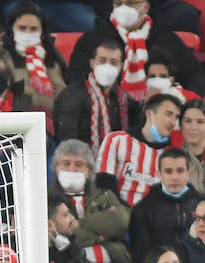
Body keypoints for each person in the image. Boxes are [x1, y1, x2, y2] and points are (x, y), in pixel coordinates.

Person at [67, 0, 205, 99]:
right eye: (118, 4)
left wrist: (179, 97)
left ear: (146, 7)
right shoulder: (93, 40)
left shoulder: (166, 40)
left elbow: (195, 76)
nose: (124, 9)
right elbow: (75, 79)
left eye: (131, 3)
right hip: (111, 113)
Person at [51, 139, 136, 263]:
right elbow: (61, 237)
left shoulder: (105, 194)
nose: (72, 169)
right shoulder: (49, 200)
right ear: (56, 168)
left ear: (89, 171)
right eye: (66, 164)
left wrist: (79, 224)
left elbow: (120, 222)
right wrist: (101, 234)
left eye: (79, 165)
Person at [52, 39, 142, 150]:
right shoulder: (71, 95)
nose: (107, 67)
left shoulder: (125, 99)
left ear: (121, 66)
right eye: (102, 61)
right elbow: (67, 140)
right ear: (92, 63)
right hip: (81, 161)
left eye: (113, 62)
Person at [98, 92, 180, 207]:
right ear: (150, 114)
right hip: (118, 216)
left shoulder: (173, 155)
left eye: (176, 117)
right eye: (168, 114)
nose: (173, 122)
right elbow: (104, 184)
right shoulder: (116, 140)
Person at [0, 2, 66, 118]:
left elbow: (65, 93)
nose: (28, 33)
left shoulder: (52, 56)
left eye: (33, 29)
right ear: (11, 29)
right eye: (22, 28)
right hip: (18, 120)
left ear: (42, 32)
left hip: (56, 120)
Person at [130, 147, 201, 261]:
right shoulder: (142, 209)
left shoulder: (201, 203)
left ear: (188, 173)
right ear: (159, 174)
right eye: (168, 171)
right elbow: (141, 256)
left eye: (180, 170)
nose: (174, 177)